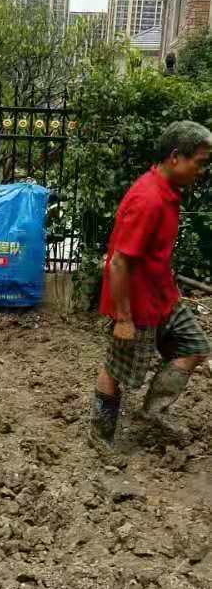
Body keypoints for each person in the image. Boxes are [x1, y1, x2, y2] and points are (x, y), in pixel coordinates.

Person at [90, 121, 212, 456]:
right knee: (118, 369)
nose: (201, 170)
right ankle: (100, 434)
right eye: (199, 162)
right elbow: (117, 263)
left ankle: (153, 412)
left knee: (195, 347)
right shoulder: (148, 199)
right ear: (176, 157)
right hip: (136, 305)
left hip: (164, 298)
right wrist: (124, 319)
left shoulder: (168, 191)